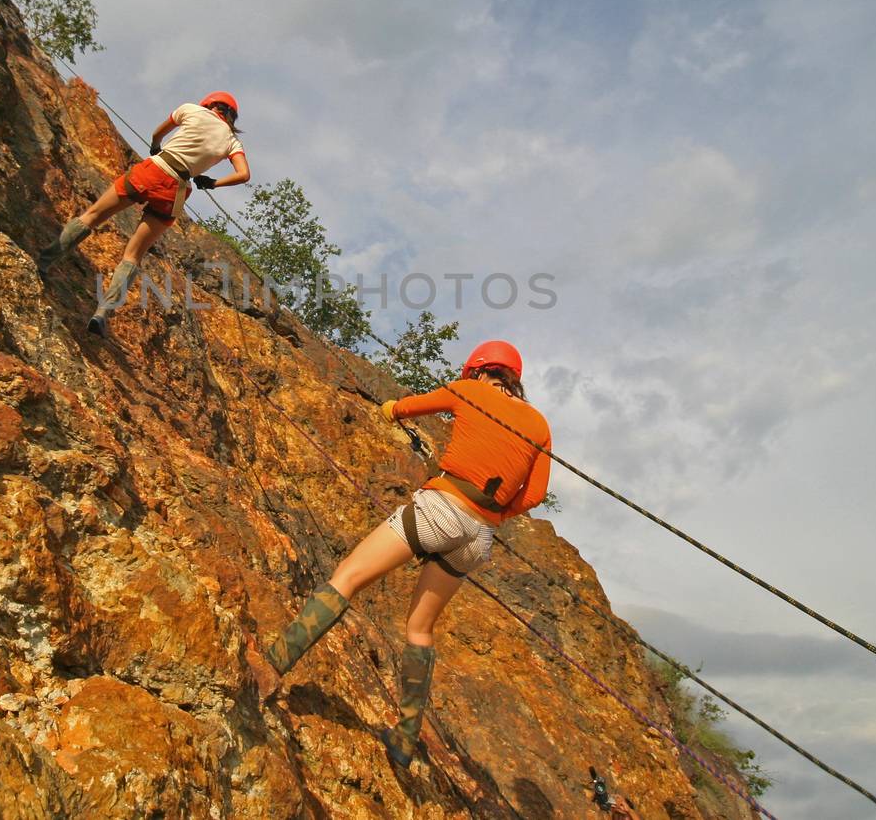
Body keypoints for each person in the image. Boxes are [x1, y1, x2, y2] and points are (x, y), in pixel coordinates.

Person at [262, 340, 552, 768]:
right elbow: (536, 495)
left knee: (348, 576)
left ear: (478, 370)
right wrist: (495, 513)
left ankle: (272, 665)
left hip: (441, 510)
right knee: (419, 628)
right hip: (480, 537)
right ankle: (404, 739)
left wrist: (387, 411)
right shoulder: (539, 424)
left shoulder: (468, 391)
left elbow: (407, 408)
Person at [42, 91, 250, 333]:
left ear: (210, 104)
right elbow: (243, 174)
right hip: (177, 190)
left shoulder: (191, 109)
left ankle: (44, 262)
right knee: (133, 255)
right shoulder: (232, 141)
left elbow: (157, 133)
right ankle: (102, 313)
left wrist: (155, 147)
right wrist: (212, 182)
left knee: (93, 216)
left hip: (154, 168)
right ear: (231, 117)